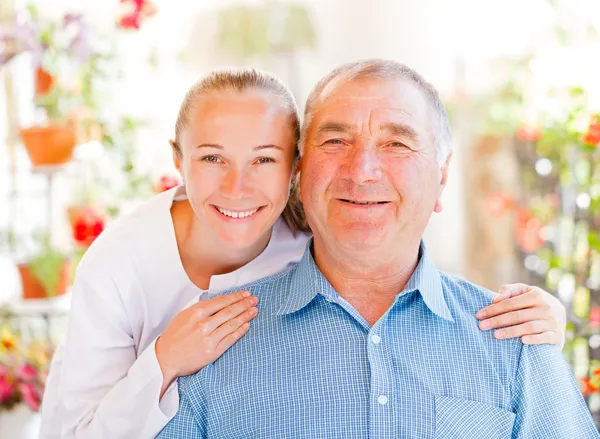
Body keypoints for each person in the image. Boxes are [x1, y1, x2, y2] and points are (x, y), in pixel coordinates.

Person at [40, 68, 566, 439]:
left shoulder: (510, 343)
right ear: (178, 160)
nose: (362, 173)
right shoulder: (136, 281)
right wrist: (163, 362)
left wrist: (544, 332)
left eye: (397, 144)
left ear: (291, 170)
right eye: (336, 142)